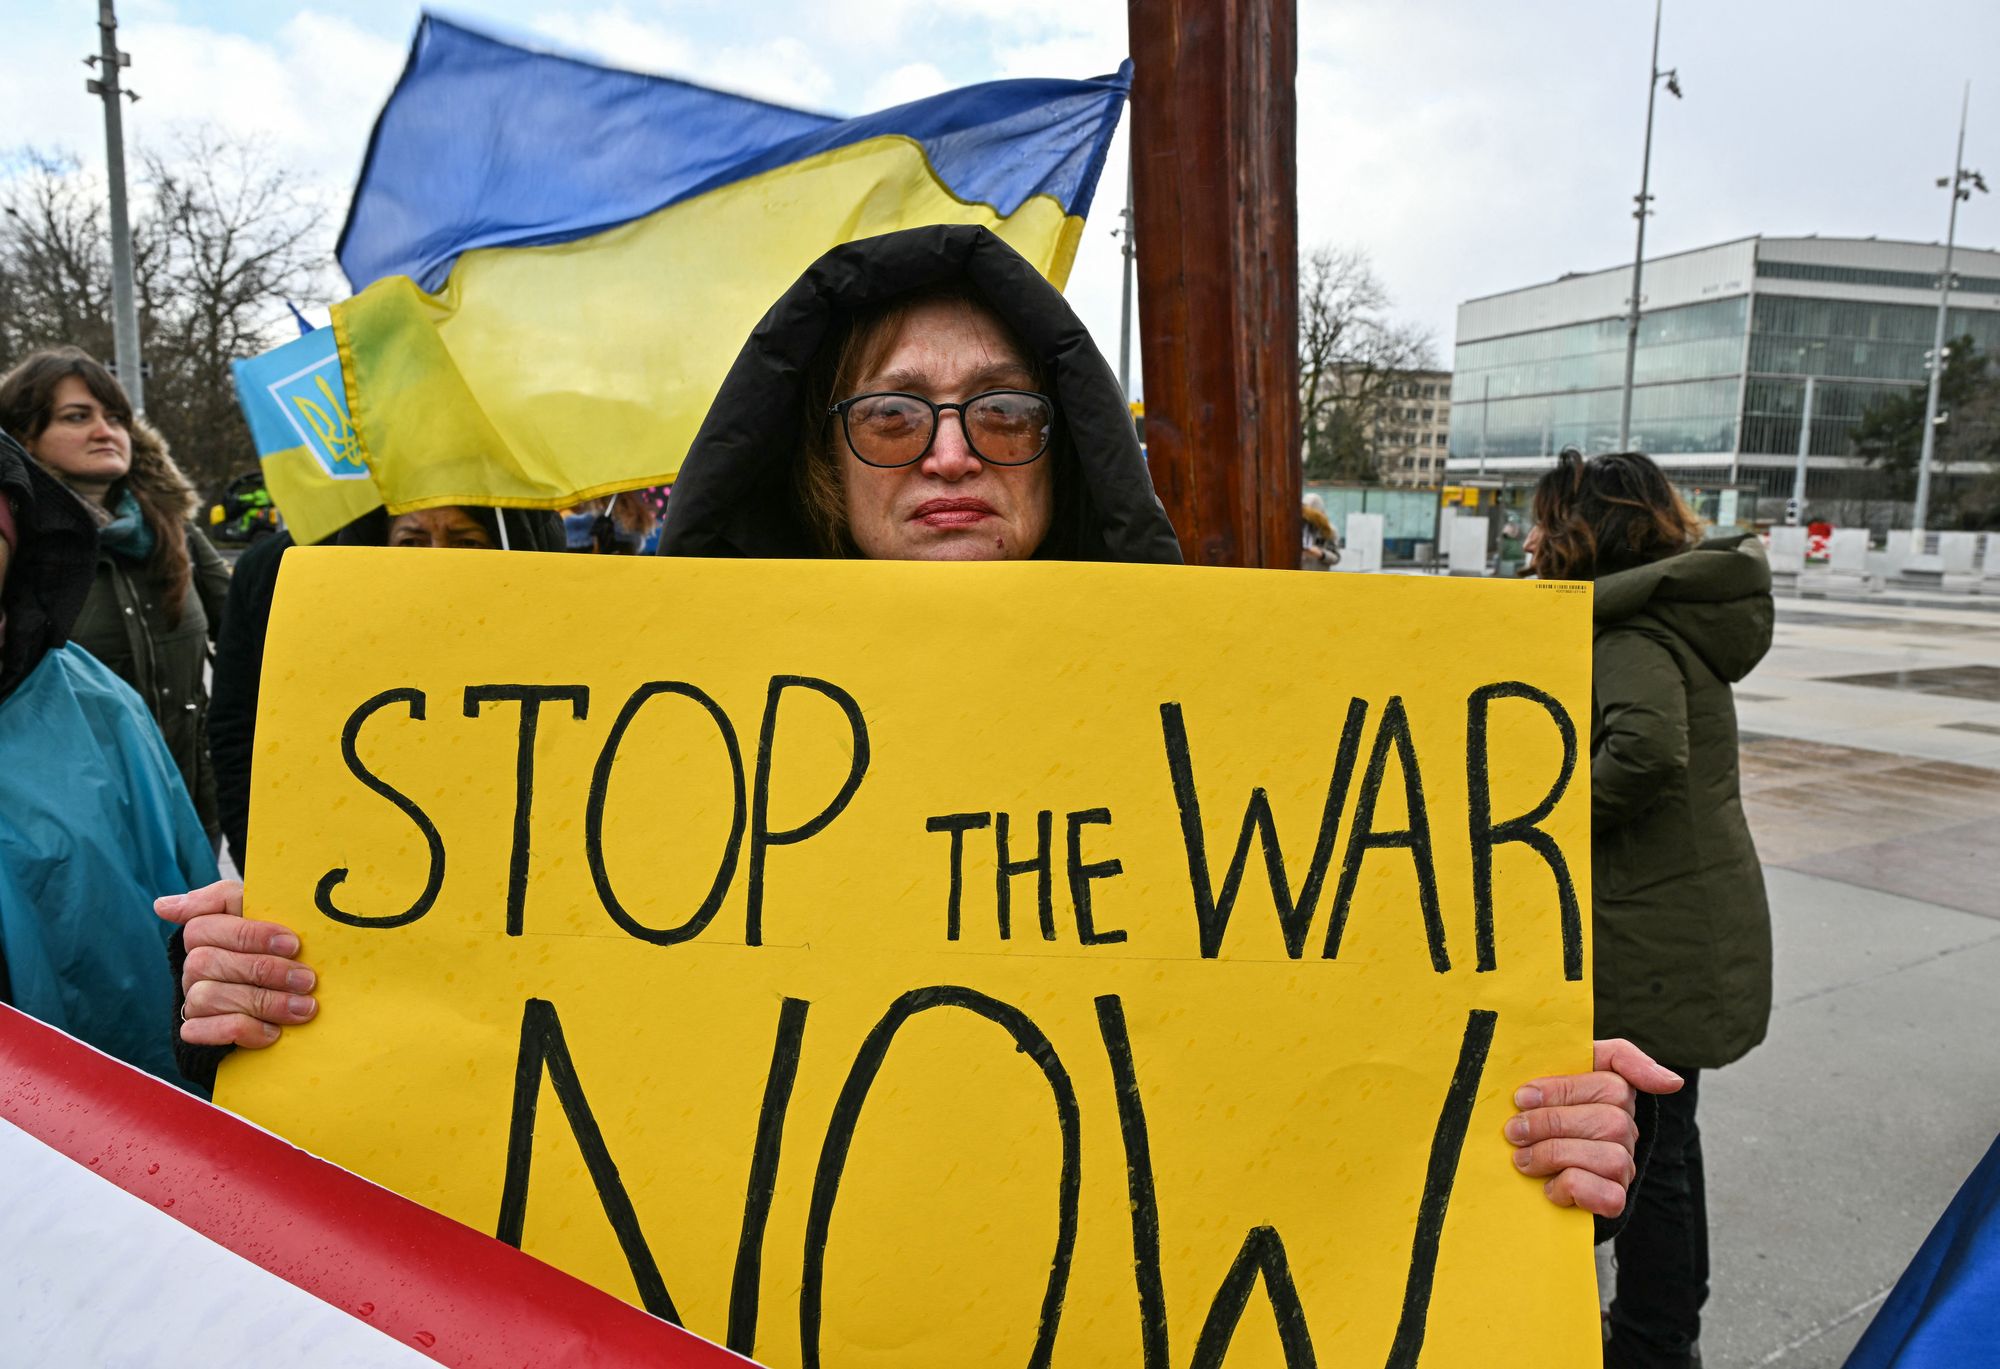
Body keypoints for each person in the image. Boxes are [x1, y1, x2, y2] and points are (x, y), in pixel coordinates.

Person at [164, 225, 1678, 1225]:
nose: (951, 450)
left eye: (1001, 410)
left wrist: (1531, 1124)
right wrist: (300, 993)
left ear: (1060, 446)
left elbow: (1329, 1125)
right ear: (823, 466)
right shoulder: (632, 742)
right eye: (893, 412)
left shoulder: (1247, 741)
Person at [1527, 448, 1774, 1369]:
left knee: (1655, 1156)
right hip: (1683, 920)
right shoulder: (1663, 615)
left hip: (1654, 935)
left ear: (1588, 528)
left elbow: (1645, 751)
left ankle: (1653, 1342)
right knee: (1672, 1140)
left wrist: (1534, 822)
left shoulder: (1625, 630)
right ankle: (1666, 1329)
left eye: (1545, 522)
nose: (1532, 540)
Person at [1, 427, 217, 1087]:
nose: (102, 430)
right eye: (76, 415)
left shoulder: (96, 704)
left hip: (92, 1102)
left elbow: (183, 898)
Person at [207, 504, 566, 875]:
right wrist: (265, 863)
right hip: (350, 871)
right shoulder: (283, 577)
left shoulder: (555, 603)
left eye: (467, 542)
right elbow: (239, 732)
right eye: (412, 541)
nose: (437, 560)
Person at [0, 348, 231, 843]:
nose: (105, 431)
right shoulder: (17, 547)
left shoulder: (176, 533)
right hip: (70, 835)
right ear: (24, 437)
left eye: (117, 418)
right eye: (77, 417)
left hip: (189, 816)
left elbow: (258, 629)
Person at [1301, 493, 1340, 569]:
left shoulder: (1330, 530)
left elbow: (1336, 558)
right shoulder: (1296, 528)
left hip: (1318, 573)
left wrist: (1321, 554)